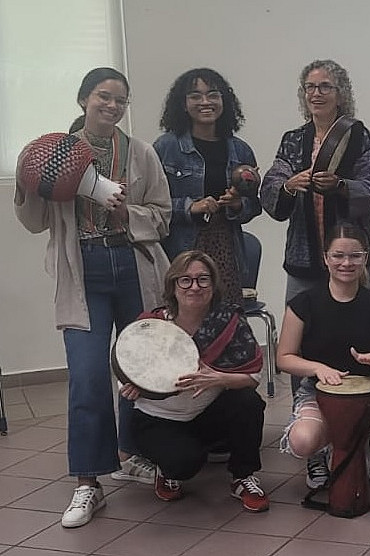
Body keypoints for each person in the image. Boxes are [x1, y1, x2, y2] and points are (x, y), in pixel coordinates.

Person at [14, 67, 171, 528]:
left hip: (133, 265)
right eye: (104, 97)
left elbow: (162, 217)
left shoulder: (139, 152)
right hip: (83, 268)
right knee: (85, 375)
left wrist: (129, 214)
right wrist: (29, 183)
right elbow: (35, 221)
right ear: (84, 99)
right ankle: (88, 481)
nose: (112, 106)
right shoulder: (55, 152)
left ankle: (135, 452)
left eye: (121, 100)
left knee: (140, 366)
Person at [276, 223, 370, 489]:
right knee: (303, 441)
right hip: (319, 389)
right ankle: (322, 451)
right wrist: (318, 368)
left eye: (355, 256)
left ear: (365, 258)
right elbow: (284, 357)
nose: (346, 262)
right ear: (326, 259)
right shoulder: (304, 303)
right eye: (338, 255)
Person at [121, 250, 268, 512]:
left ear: (213, 285)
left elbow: (253, 376)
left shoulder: (229, 321)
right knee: (185, 463)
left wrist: (220, 378)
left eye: (203, 279)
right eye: (185, 280)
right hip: (159, 419)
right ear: (173, 286)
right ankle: (168, 469)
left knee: (248, 402)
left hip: (205, 412)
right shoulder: (151, 325)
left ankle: (243, 476)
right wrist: (132, 386)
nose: (195, 287)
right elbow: (126, 370)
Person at [260, 59, 370, 302]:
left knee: (355, 325)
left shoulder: (359, 136)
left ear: (340, 95)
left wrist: (340, 186)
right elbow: (271, 186)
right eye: (310, 87)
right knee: (301, 328)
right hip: (303, 254)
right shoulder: (293, 140)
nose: (316, 93)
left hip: (351, 255)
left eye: (325, 87)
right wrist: (289, 185)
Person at [154, 68, 261, 308]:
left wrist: (237, 205)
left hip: (226, 248)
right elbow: (152, 205)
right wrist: (190, 206)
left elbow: (254, 205)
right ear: (183, 104)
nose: (205, 102)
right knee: (183, 321)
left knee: (225, 320)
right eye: (195, 96)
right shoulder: (166, 147)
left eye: (213, 94)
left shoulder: (240, 149)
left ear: (224, 100)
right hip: (181, 248)